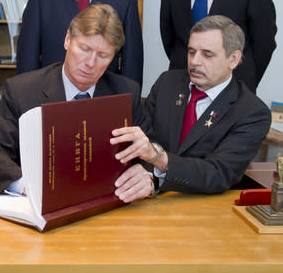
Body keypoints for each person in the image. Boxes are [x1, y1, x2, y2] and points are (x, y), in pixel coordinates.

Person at [0, 4, 152, 202]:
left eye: (103, 55)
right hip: (36, 206)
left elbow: (150, 153)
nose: (90, 63)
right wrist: (30, 189)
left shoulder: (126, 93)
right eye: (84, 49)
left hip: (106, 206)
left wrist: (148, 177)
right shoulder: (22, 91)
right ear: (68, 39)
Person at [111, 15, 271, 195]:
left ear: (233, 59)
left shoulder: (251, 112)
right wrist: (150, 176)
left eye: (207, 54)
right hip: (148, 200)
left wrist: (159, 160)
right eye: (191, 52)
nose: (195, 61)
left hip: (206, 210)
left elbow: (218, 174)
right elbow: (145, 139)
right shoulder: (167, 84)